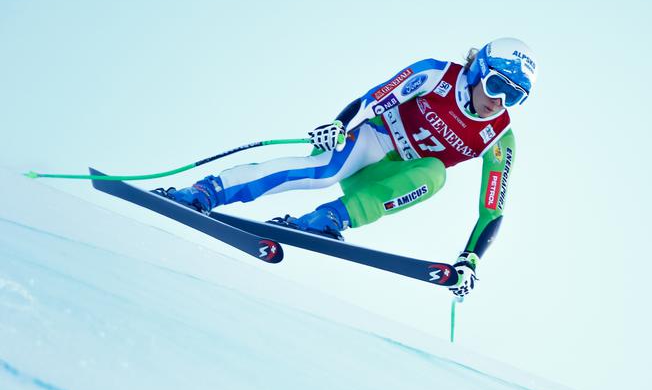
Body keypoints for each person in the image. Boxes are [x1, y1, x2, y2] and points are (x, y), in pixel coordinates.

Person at [159, 37, 538, 298]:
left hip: (389, 176)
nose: (498, 101)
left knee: (436, 176)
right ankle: (207, 191)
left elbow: (493, 209)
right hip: (373, 139)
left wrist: (470, 260)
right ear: (477, 71)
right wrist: (340, 124)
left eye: (514, 96)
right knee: (321, 172)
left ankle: (327, 220)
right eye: (494, 85)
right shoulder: (438, 74)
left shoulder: (499, 137)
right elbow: (376, 97)